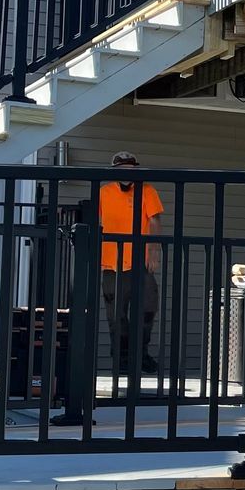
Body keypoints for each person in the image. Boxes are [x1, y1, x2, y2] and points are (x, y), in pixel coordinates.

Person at [98, 150, 164, 379]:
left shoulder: (147, 190)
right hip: (111, 263)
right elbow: (94, 220)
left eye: (130, 168)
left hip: (139, 261)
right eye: (122, 169)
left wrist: (154, 250)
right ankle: (122, 360)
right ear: (115, 172)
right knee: (115, 316)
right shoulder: (103, 192)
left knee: (147, 309)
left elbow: (155, 220)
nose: (127, 173)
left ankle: (141, 354)